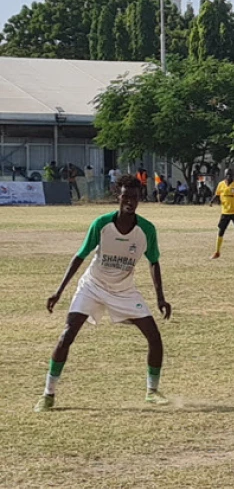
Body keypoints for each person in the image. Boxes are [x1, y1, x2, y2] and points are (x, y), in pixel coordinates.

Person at [35, 175, 172, 412]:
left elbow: (154, 262)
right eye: (125, 197)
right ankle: (48, 394)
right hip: (93, 286)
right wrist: (59, 291)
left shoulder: (146, 230)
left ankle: (152, 391)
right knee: (67, 334)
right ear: (117, 197)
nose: (130, 202)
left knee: (154, 337)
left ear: (140, 199)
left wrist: (160, 297)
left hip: (124, 290)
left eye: (135, 197)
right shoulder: (101, 224)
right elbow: (80, 256)